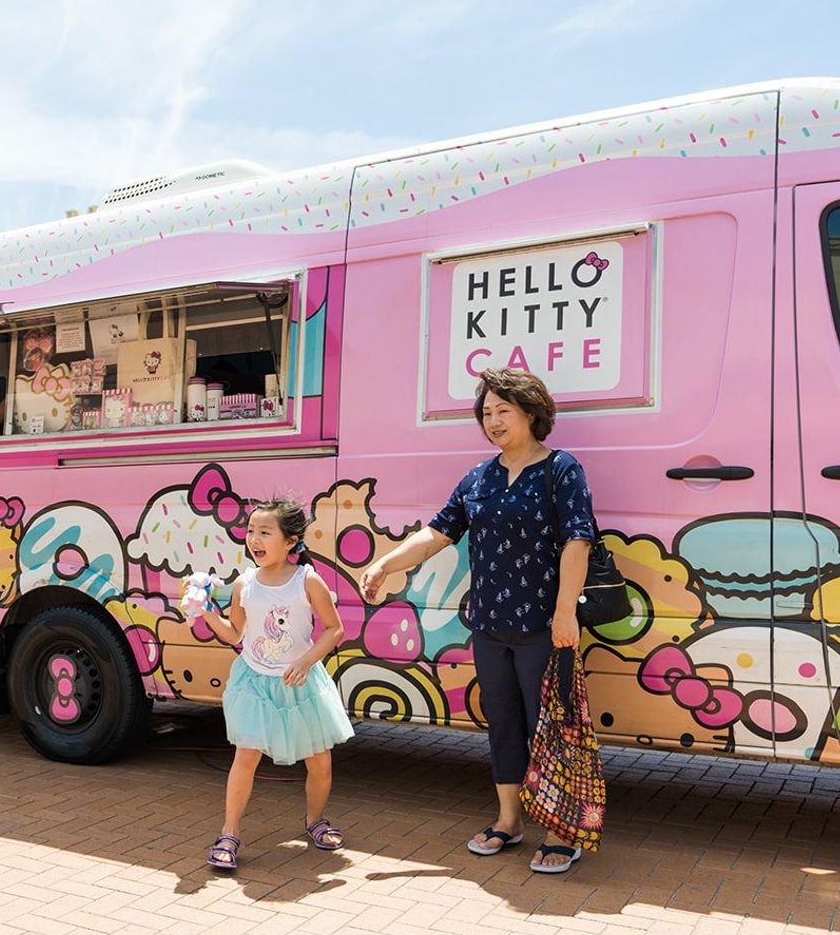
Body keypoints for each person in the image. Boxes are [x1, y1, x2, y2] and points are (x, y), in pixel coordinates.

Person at [358, 368, 595, 875]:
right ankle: (509, 820)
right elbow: (438, 533)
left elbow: (578, 540)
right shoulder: (478, 478)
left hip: (544, 624)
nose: (492, 421)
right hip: (489, 624)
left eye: (502, 411)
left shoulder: (561, 469)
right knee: (504, 724)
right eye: (486, 413)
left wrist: (565, 611)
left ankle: (560, 829)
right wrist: (384, 563)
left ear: (532, 412)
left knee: (551, 728)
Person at [201, 498, 353, 870]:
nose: (254, 539)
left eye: (265, 532)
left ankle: (314, 820)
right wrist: (206, 613)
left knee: (319, 763)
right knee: (246, 756)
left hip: (299, 684)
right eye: (251, 531)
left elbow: (335, 629)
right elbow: (235, 632)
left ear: (290, 542)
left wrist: (305, 661)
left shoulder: (307, 580)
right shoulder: (244, 583)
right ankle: (229, 832)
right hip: (254, 683)